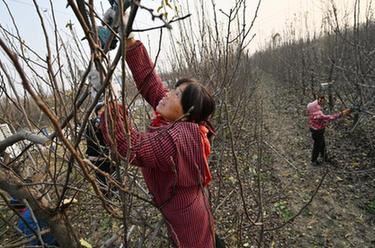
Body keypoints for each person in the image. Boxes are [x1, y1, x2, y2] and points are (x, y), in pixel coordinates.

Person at [93, 37, 220, 247]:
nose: (168, 94)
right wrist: (129, 41)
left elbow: (128, 145)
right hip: (190, 209)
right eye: (173, 90)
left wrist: (107, 102)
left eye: (177, 94)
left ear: (188, 113)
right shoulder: (183, 121)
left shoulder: (176, 140)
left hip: (188, 226)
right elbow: (153, 85)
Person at [307, 96, 352, 166]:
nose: (319, 105)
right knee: (317, 146)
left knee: (322, 144)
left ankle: (324, 157)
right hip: (317, 132)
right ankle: (313, 160)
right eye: (317, 105)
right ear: (315, 108)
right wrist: (342, 113)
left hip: (315, 131)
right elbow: (330, 117)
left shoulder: (312, 112)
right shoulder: (318, 114)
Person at [85, 104, 114, 197]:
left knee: (111, 174)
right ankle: (108, 196)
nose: (105, 112)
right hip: (98, 156)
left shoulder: (106, 122)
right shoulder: (97, 123)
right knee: (104, 176)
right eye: (102, 110)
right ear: (97, 112)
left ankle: (113, 193)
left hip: (102, 155)